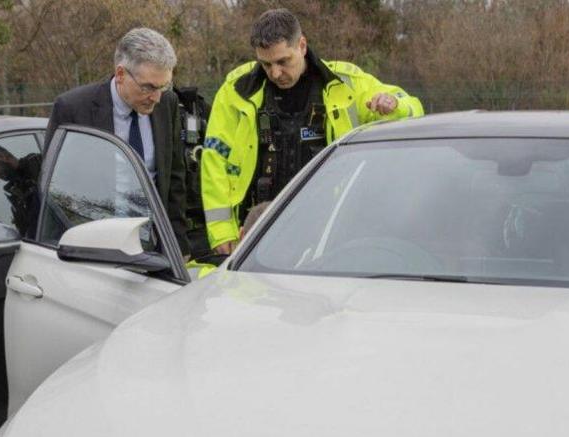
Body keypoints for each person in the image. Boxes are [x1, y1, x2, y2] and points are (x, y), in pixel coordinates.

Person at [201, 8, 423, 255]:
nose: (275, 73)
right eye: (266, 64)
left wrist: (394, 105)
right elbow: (215, 161)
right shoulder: (236, 90)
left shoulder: (344, 84)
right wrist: (222, 233)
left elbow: (413, 107)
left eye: (283, 61)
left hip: (330, 232)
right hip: (259, 229)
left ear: (302, 45)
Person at [46, 27, 191, 256]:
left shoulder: (167, 104)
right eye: (148, 87)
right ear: (121, 74)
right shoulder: (74, 109)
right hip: (93, 246)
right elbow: (57, 189)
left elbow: (174, 178)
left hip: (152, 246)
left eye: (163, 86)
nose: (156, 97)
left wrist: (178, 246)